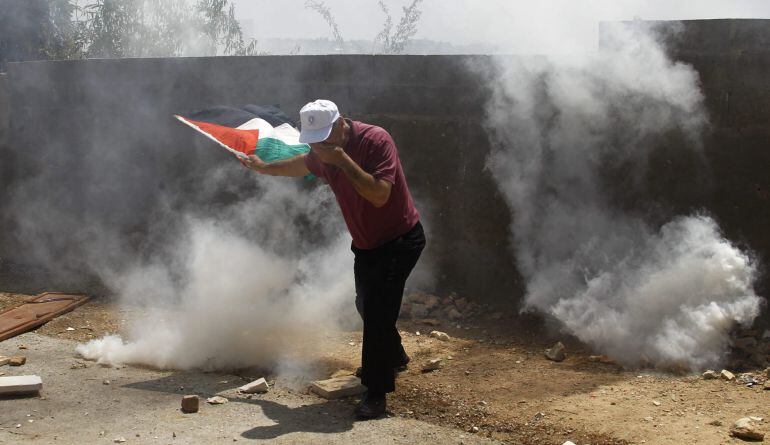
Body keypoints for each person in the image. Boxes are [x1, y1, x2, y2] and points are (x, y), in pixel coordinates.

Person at [241, 99, 425, 419]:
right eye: (315, 142)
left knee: (378, 311)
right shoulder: (323, 150)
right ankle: (394, 356)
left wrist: (341, 161)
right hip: (366, 244)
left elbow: (380, 195)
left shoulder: (376, 140)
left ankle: (376, 392)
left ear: (342, 125)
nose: (320, 147)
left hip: (400, 240)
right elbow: (303, 164)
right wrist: (264, 168)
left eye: (326, 139)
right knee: (365, 304)